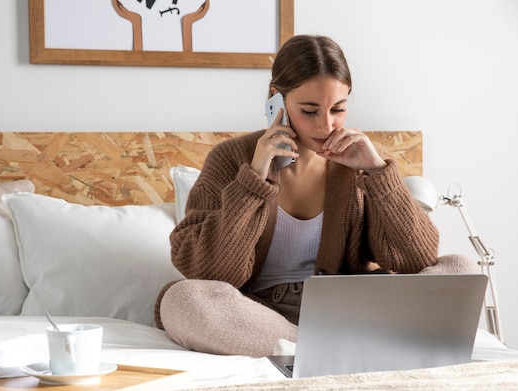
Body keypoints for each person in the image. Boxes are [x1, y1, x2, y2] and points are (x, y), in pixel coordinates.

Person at [154, 34, 474, 358]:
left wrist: (378, 173)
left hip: (349, 313)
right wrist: (254, 178)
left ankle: (316, 351)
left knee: (461, 267)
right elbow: (212, 273)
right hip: (261, 318)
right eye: (309, 111)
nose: (326, 125)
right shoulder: (231, 159)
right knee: (183, 300)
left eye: (338, 109)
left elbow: (416, 261)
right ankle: (325, 351)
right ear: (275, 99)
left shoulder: (361, 162)